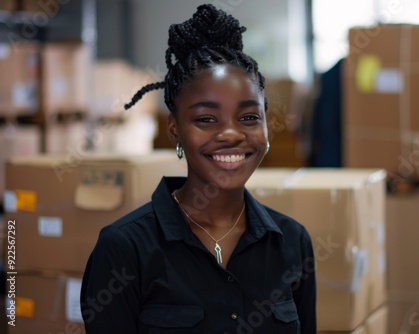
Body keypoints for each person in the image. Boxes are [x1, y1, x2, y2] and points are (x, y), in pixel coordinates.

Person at [80, 4, 316, 333]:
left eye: (248, 117)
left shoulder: (292, 242)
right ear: (174, 129)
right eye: (206, 119)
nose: (232, 134)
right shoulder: (125, 248)